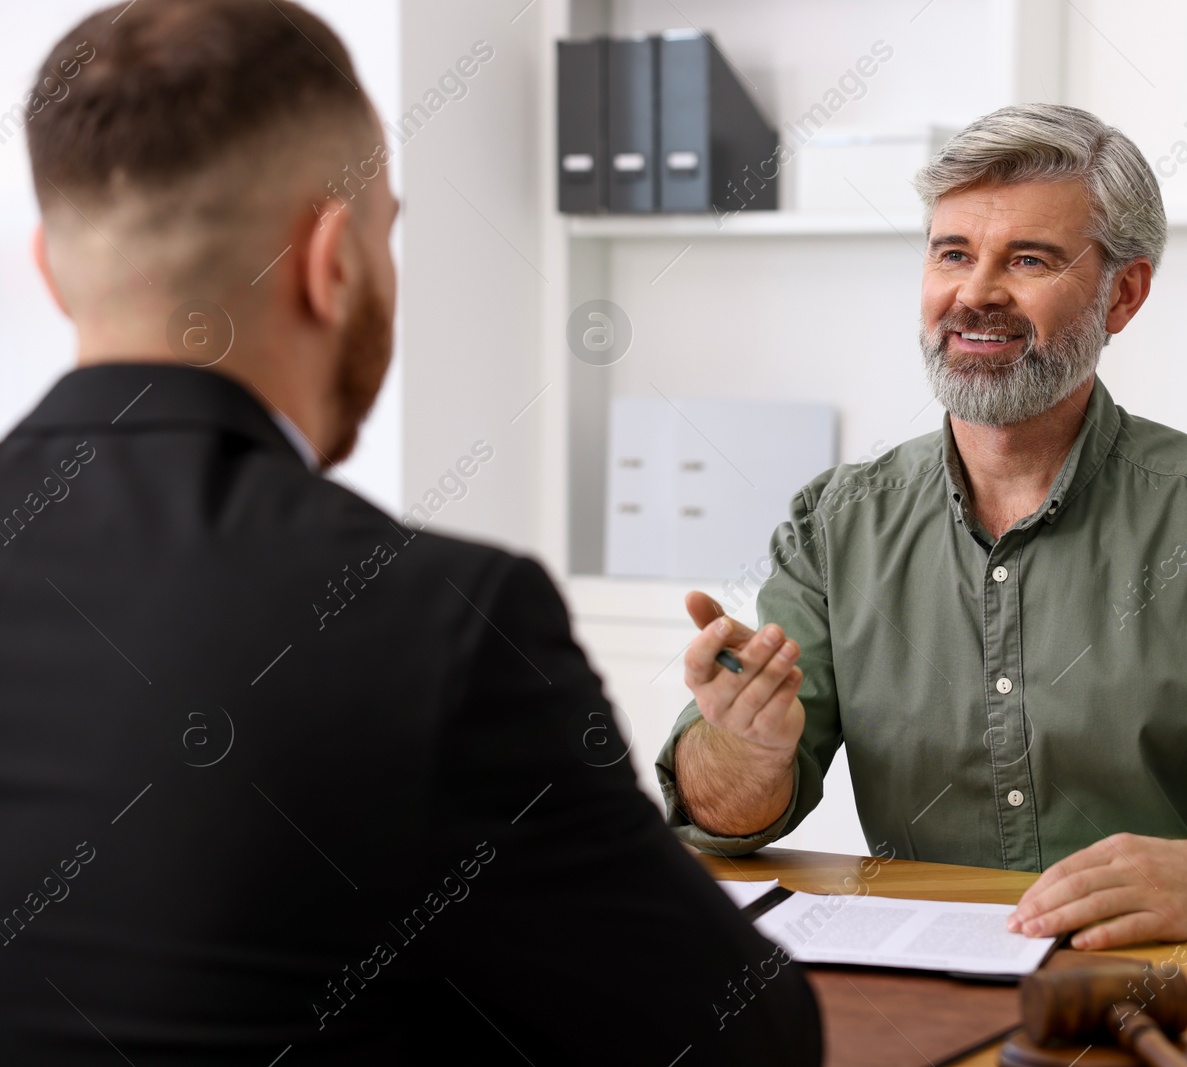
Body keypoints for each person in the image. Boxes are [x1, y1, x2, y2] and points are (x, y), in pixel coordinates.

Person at [0, 2, 820, 1064]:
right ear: (332, 260)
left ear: (52, 269)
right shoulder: (438, 620)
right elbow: (742, 1038)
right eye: (387, 232)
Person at [658, 104, 1187, 951]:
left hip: (1165, 981)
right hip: (922, 982)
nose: (976, 292)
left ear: (1122, 293)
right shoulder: (834, 524)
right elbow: (727, 814)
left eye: (1028, 259)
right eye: (952, 253)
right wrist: (746, 750)